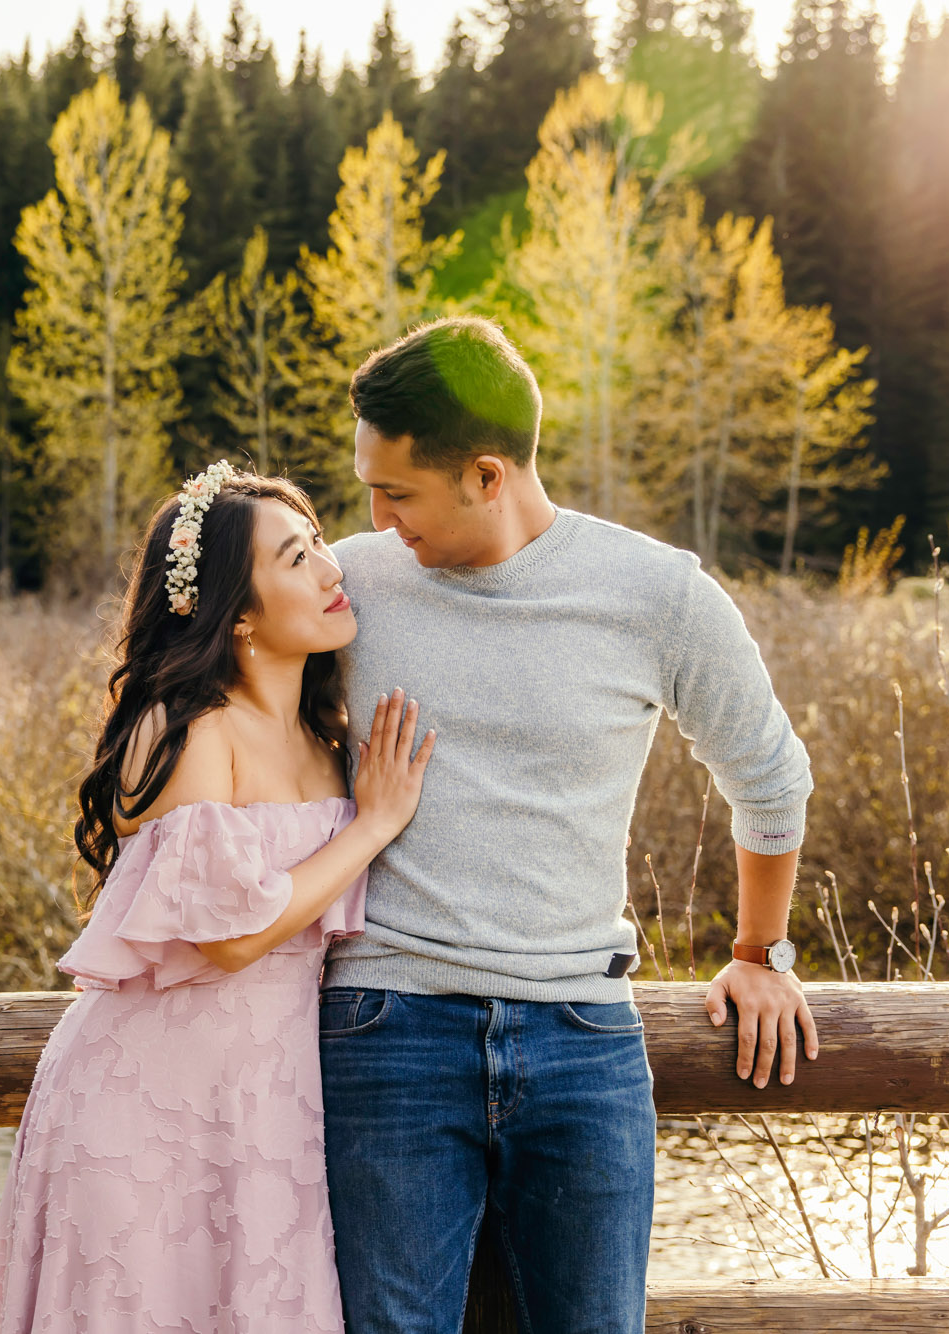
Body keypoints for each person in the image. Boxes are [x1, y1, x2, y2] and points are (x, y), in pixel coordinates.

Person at [321, 316, 819, 1334]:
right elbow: (208, 688)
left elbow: (769, 774)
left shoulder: (655, 595)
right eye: (367, 486)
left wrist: (757, 951)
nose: (374, 515)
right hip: (386, 1025)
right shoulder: (344, 587)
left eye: (396, 491)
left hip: (580, 1034)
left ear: (487, 474)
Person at [0, 463, 435, 1334]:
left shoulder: (326, 734)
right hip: (144, 1107)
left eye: (321, 546)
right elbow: (229, 939)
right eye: (298, 560)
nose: (334, 571)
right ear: (240, 609)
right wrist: (370, 829)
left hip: (267, 1108)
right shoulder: (188, 726)